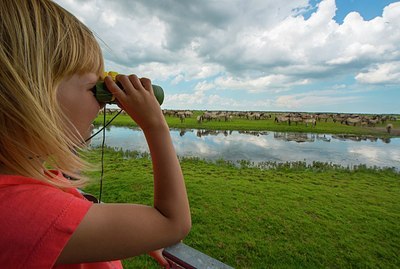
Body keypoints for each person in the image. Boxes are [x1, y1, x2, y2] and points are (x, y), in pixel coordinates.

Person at [0, 1, 191, 268]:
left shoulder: (35, 184)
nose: (103, 102)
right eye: (94, 88)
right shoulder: (23, 212)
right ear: (34, 95)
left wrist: (131, 235)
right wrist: (155, 125)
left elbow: (77, 215)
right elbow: (172, 223)